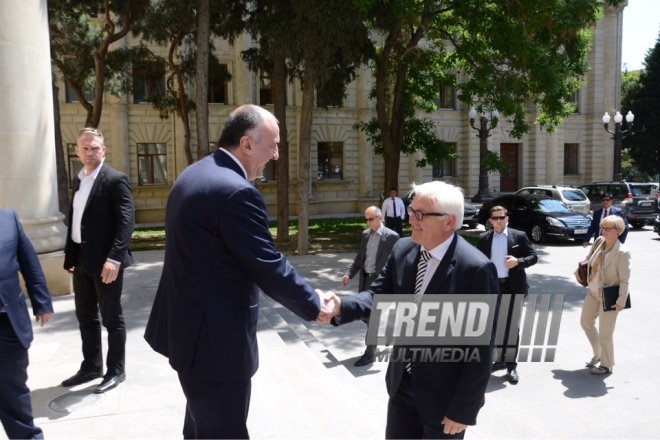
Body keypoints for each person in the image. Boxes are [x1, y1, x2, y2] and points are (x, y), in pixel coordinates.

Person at [144, 104, 334, 439]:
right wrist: (313, 302)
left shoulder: (195, 174)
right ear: (246, 144)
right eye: (272, 145)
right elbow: (267, 264)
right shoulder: (236, 192)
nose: (276, 155)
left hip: (189, 334)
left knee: (202, 427)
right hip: (215, 345)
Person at [322, 181, 498, 438]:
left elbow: (483, 346)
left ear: (448, 222)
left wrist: (464, 408)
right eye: (410, 210)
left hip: (444, 398)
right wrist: (340, 306)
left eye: (420, 214)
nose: (410, 218)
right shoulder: (403, 248)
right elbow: (377, 295)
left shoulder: (476, 269)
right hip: (402, 385)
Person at [62, 127, 135, 394]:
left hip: (107, 263)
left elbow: (127, 222)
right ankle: (91, 366)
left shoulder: (116, 179)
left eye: (95, 147)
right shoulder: (79, 179)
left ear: (103, 150)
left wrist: (114, 259)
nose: (90, 152)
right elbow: (77, 220)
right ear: (77, 151)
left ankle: (116, 370)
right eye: (85, 148)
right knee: (85, 317)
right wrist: (71, 256)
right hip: (81, 260)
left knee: (111, 318)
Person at [0, 209, 53, 439]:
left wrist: (42, 303)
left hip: (7, 324)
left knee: (14, 391)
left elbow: (28, 260)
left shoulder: (8, 219)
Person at [476, 206, 537, 385]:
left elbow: (533, 256)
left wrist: (518, 262)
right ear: (491, 220)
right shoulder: (484, 238)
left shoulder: (518, 236)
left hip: (512, 287)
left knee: (510, 327)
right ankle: (500, 359)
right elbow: (477, 260)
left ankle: (511, 366)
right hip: (492, 287)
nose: (499, 221)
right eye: (495, 218)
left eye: (502, 217)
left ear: (507, 218)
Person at [342, 206, 399, 366]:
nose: (367, 222)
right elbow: (360, 257)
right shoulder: (365, 235)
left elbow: (397, 262)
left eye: (370, 219)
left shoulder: (392, 237)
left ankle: (369, 354)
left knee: (373, 318)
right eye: (366, 219)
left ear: (380, 218)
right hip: (366, 280)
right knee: (365, 315)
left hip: (381, 283)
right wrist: (349, 273)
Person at [575, 215, 631, 375]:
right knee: (586, 323)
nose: (604, 231)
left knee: (606, 333)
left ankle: (607, 365)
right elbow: (588, 259)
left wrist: (621, 301)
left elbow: (624, 279)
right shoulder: (600, 241)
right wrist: (578, 272)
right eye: (603, 228)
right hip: (592, 292)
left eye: (608, 229)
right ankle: (599, 353)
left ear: (618, 231)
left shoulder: (622, 252)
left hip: (609, 296)